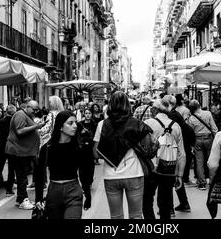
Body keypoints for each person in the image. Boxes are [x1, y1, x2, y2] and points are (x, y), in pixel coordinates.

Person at [96, 91, 152, 219]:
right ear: (128, 105)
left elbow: (96, 153)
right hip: (134, 173)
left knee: (116, 217)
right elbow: (148, 148)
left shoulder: (102, 124)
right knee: (136, 216)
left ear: (110, 105)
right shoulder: (136, 123)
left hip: (111, 176)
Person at [35, 111, 90, 219]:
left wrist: (88, 194)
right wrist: (38, 198)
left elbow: (84, 172)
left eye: (75, 123)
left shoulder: (79, 147)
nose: (75, 126)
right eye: (70, 123)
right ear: (60, 126)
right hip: (53, 193)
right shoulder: (47, 148)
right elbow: (39, 174)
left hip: (73, 192)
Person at [143, 98, 186, 220]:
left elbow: (142, 148)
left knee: (147, 199)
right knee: (165, 201)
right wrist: (179, 175)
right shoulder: (176, 126)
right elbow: (181, 153)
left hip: (151, 167)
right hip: (169, 168)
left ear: (155, 110)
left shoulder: (149, 123)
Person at [5, 100, 46, 210]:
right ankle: (23, 200)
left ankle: (20, 199)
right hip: (18, 150)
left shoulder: (26, 115)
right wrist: (36, 127)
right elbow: (20, 131)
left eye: (37, 110)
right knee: (22, 176)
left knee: (22, 175)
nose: (35, 112)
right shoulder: (20, 115)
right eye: (34, 109)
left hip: (23, 151)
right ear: (27, 107)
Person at [164, 95, 195, 213]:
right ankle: (184, 203)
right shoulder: (176, 114)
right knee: (176, 177)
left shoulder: (171, 116)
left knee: (169, 179)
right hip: (182, 147)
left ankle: (169, 208)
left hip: (175, 149)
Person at [34, 96, 64, 192]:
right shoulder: (61, 114)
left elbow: (47, 128)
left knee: (47, 165)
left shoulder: (51, 114)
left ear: (54, 103)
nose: (49, 103)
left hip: (50, 142)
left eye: (50, 102)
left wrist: (37, 130)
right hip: (60, 141)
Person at [187, 100, 218, 190]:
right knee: (211, 160)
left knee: (199, 161)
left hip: (197, 139)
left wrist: (191, 144)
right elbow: (214, 128)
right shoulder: (208, 114)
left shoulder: (191, 118)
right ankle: (212, 182)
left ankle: (202, 183)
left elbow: (190, 132)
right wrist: (216, 138)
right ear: (199, 106)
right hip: (209, 138)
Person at [0, 105, 16, 197]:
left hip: (1, 147)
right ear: (14, 113)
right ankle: (9, 190)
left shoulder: (0, 122)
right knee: (11, 169)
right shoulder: (15, 122)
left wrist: (1, 136)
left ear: (6, 112)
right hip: (12, 147)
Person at [76, 107, 97, 210]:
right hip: (81, 149)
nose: (88, 115)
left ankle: (88, 183)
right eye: (86, 113)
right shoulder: (79, 124)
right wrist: (82, 133)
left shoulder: (94, 124)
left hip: (90, 148)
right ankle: (84, 183)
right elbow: (76, 135)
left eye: (89, 113)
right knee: (82, 167)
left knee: (90, 167)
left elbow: (96, 136)